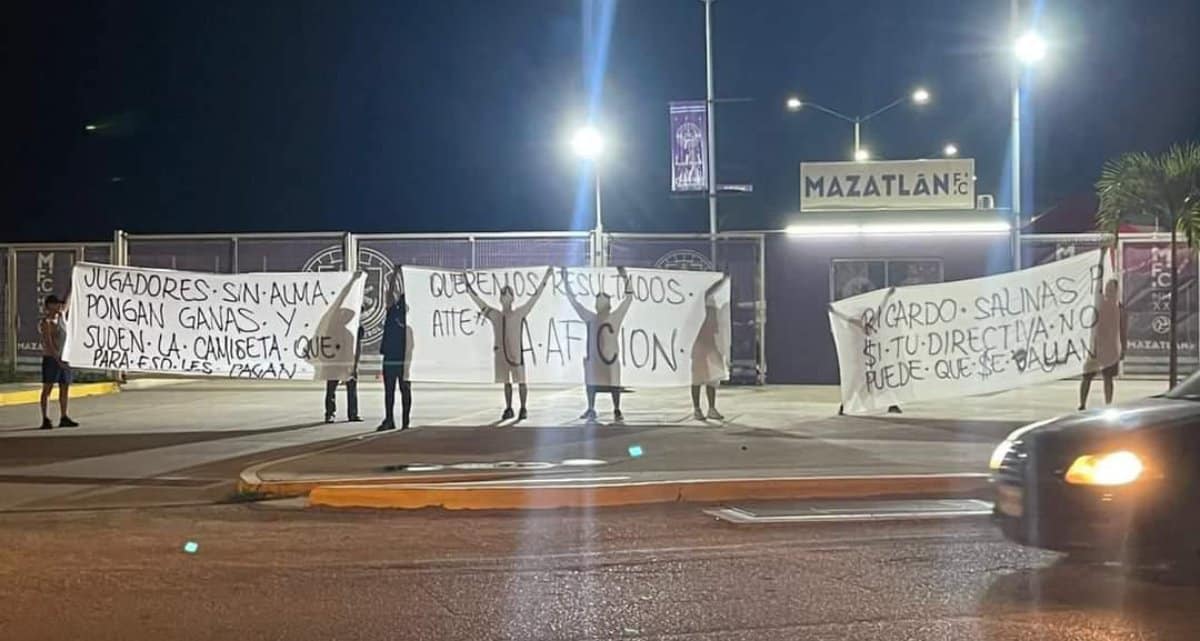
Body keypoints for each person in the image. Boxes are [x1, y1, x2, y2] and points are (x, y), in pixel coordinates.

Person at [466, 266, 554, 421]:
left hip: (516, 354)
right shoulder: (495, 315)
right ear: (500, 298)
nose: (505, 297)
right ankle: (508, 407)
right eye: (503, 294)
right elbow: (480, 303)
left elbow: (535, 297)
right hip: (501, 355)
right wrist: (468, 287)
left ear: (513, 298)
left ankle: (523, 407)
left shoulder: (519, 313)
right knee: (506, 383)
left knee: (521, 381)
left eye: (508, 294)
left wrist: (545, 279)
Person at [563, 265, 634, 423]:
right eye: (598, 300)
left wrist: (624, 277)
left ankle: (616, 409)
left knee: (614, 383)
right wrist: (565, 280)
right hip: (595, 359)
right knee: (591, 383)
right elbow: (574, 302)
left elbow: (629, 298)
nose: (599, 303)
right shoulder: (590, 318)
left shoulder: (615, 317)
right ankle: (591, 407)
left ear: (609, 304)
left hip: (610, 359)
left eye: (602, 300)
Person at [1080, 278, 1126, 411]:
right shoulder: (1100, 305)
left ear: (1116, 291)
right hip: (1097, 347)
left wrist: (1123, 348)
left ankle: (1108, 404)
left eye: (1111, 289)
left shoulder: (1120, 309)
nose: (1108, 291)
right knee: (1087, 376)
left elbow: (1123, 330)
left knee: (1108, 378)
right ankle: (1082, 403)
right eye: (1107, 288)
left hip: (1111, 348)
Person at [378, 267, 413, 431]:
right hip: (394, 359)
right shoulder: (393, 313)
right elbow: (389, 294)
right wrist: (395, 275)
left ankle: (402, 420)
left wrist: (396, 274)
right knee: (393, 391)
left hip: (400, 359)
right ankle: (392, 419)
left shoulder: (409, 322)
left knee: (400, 390)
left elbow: (390, 295)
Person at [691, 274, 729, 421]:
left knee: (713, 378)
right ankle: (697, 409)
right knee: (697, 379)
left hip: (712, 344)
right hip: (699, 344)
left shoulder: (715, 304)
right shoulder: (700, 301)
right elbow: (708, 292)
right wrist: (722, 280)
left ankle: (712, 409)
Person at [39, 295, 78, 430]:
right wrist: (58, 360)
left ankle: (64, 416)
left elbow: (67, 302)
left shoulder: (62, 317)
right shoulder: (47, 322)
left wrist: (73, 281)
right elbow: (49, 344)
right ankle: (45, 417)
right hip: (51, 359)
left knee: (64, 387)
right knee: (48, 388)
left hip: (64, 358)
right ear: (49, 305)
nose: (58, 306)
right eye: (55, 304)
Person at [325, 323, 364, 423]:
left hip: (348, 360)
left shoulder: (357, 327)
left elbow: (358, 347)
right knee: (331, 388)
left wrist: (355, 365)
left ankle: (352, 413)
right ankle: (330, 413)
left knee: (351, 388)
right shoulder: (334, 326)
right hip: (336, 360)